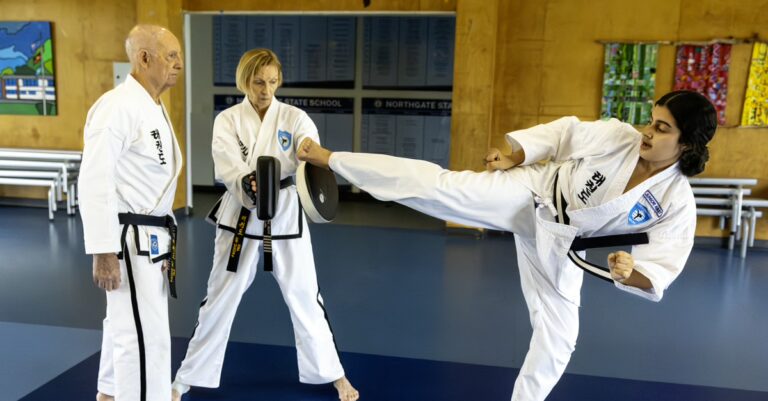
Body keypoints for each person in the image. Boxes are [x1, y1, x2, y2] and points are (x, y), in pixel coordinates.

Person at [297, 90, 717, 401]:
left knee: (559, 339)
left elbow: (665, 263)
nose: (648, 132)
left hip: (562, 242)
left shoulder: (676, 200)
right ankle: (332, 159)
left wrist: (632, 272)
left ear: (687, 144)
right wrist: (516, 157)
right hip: (531, 192)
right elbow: (565, 134)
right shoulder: (619, 137)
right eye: (651, 121)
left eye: (662, 128)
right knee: (438, 187)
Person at [171, 48, 359, 401]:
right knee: (220, 295)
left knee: (305, 294)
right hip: (242, 211)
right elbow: (226, 162)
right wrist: (245, 181)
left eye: (272, 82)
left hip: (286, 211)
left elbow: (308, 147)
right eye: (258, 82)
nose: (266, 90)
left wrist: (309, 150)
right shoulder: (228, 119)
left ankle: (335, 374)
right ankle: (186, 378)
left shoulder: (294, 117)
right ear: (245, 81)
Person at [79, 24, 184, 401]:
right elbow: (94, 179)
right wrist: (103, 251)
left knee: (125, 323)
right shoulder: (118, 106)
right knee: (143, 337)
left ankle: (109, 394)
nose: (179, 63)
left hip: (151, 235)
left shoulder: (151, 105)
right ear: (144, 58)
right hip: (129, 240)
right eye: (171, 55)